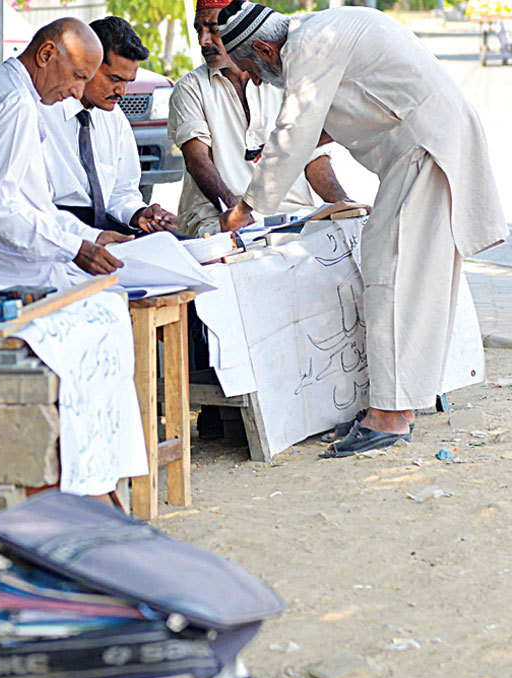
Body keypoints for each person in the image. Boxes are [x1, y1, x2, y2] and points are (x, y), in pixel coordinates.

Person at [216, 2, 507, 456]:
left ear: (263, 49)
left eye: (251, 69)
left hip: (426, 147)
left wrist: (246, 207)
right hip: (426, 144)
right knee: (407, 274)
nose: (254, 79)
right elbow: (349, 112)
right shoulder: (318, 35)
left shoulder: (310, 45)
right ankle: (398, 405)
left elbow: (295, 133)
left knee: (391, 270)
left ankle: (391, 414)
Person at [0, 17, 126, 289]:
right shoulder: (15, 103)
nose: (77, 91)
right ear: (46, 54)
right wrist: (75, 249)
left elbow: (34, 207)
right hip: (8, 285)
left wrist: (91, 237)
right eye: (78, 76)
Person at [168, 0, 351, 237]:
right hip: (218, 216)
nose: (204, 41)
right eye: (199, 30)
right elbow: (197, 160)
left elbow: (312, 156)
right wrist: (236, 213)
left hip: (294, 213)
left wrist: (343, 204)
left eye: (213, 29)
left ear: (236, 30)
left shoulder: (282, 80)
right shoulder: (189, 88)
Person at [41, 16, 179, 237]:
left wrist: (138, 214)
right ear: (88, 63)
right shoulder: (43, 111)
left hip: (104, 226)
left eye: (127, 82)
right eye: (115, 79)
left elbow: (122, 192)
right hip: (56, 230)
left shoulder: (114, 118)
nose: (122, 91)